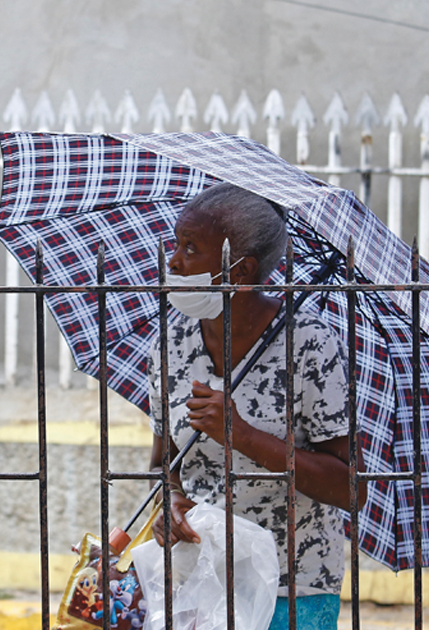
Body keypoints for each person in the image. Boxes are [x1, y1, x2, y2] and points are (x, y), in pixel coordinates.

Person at [147, 183, 365, 630]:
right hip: (198, 583)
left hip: (291, 590)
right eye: (176, 244)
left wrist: (243, 436)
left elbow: (349, 488)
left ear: (239, 271)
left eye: (190, 249)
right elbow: (162, 462)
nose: (173, 261)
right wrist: (169, 501)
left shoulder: (309, 345)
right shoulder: (171, 343)